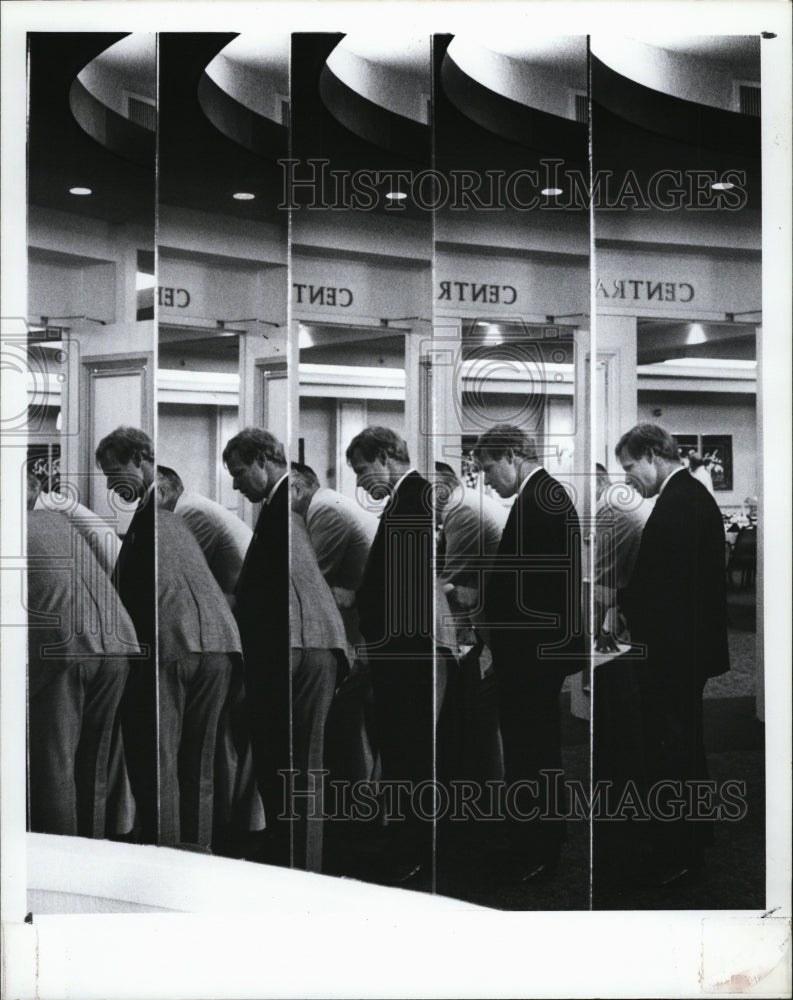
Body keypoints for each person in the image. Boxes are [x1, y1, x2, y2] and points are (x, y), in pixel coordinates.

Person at [97, 427, 239, 850]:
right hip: (219, 647)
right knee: (199, 765)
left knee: (156, 760)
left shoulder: (148, 520)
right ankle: (198, 855)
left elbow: (126, 602)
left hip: (172, 650)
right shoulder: (177, 520)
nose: (109, 484)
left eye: (113, 471)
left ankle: (165, 860)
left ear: (142, 461)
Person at [616, 423, 730, 885]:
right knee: (685, 748)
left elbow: (663, 590)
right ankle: (693, 838)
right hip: (686, 649)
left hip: (672, 653)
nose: (628, 480)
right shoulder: (690, 495)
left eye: (630, 468)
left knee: (672, 752)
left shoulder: (676, 503)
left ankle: (677, 853)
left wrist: (619, 598)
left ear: (651, 455)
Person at [473, 424, 583, 882]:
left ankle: (536, 850)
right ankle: (533, 841)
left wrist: (489, 620)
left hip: (532, 654)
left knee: (531, 753)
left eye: (489, 468)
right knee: (531, 751)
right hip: (537, 652)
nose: (487, 479)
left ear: (514, 455)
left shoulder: (539, 500)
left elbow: (529, 590)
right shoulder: (542, 496)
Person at [26, 471, 137, 838]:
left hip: (69, 651)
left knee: (55, 767)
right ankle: (94, 856)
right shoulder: (58, 521)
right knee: (94, 760)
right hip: (119, 642)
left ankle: (60, 872)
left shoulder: (13, 529)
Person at [346, 426, 435, 884]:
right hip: (401, 651)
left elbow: (402, 589)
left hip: (403, 654)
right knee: (402, 750)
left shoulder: (413, 498)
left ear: (385, 457)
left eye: (362, 471)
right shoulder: (411, 497)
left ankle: (412, 848)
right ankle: (407, 842)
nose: (360, 483)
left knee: (408, 752)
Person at [223, 428, 290, 864]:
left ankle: (286, 849)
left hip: (281, 652)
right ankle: (283, 844)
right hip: (275, 649)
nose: (234, 484)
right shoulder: (275, 506)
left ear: (264, 461)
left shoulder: (286, 507)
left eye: (239, 472)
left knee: (281, 753)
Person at [290, 461, 378, 783]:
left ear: (296, 488)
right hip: (365, 630)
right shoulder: (331, 502)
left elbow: (309, 584)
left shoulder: (324, 510)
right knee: (355, 722)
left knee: (345, 719)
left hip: (364, 636)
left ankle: (355, 804)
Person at [288, 511, 349, 871]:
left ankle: (298, 858)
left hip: (298, 644)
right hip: (327, 641)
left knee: (297, 759)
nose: (235, 484)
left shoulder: (286, 519)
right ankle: (309, 858)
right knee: (311, 757)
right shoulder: (298, 524)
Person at [156, 465, 252, 596]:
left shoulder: (189, 511)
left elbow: (184, 574)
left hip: (239, 598)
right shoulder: (191, 504)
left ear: (162, 492)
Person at [593, 462, 653, 646]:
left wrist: (585, 638)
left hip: (648, 604)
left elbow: (604, 584)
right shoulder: (621, 495)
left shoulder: (610, 505)